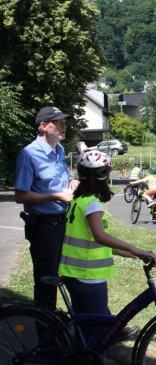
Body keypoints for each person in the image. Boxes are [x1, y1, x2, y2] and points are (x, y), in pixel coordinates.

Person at [59, 151, 156, 365]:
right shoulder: (91, 203)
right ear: (104, 177)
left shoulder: (78, 201)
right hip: (89, 276)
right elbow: (99, 236)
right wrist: (134, 247)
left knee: (84, 328)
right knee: (99, 330)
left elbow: (92, 241)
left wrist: (132, 254)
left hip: (74, 273)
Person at [15, 106, 78, 311]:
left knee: (75, 272)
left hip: (64, 222)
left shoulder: (59, 150)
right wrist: (57, 196)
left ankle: (94, 327)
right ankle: (46, 339)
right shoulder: (29, 154)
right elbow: (20, 195)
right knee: (46, 283)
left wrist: (71, 184)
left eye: (64, 122)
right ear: (43, 126)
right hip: (44, 228)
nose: (63, 126)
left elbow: (61, 180)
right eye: (57, 122)